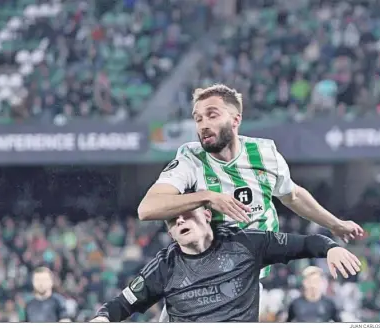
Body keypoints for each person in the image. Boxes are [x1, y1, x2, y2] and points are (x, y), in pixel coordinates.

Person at [137, 84, 364, 320]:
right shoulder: (191, 159)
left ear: (236, 120)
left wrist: (334, 224)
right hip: (195, 282)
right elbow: (147, 208)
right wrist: (207, 197)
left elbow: (293, 195)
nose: (203, 124)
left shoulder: (265, 154)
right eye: (198, 118)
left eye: (212, 115)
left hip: (244, 283)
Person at [90, 207, 360, 322]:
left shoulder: (246, 243)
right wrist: (103, 318)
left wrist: (330, 247)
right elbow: (122, 304)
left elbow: (303, 243)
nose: (180, 222)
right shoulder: (165, 265)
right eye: (173, 222)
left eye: (186, 215)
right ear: (170, 233)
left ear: (207, 215)